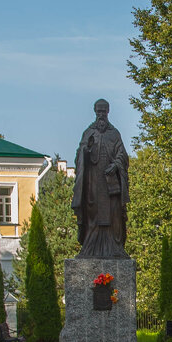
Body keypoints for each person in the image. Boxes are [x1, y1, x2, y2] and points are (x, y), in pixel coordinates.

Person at [71, 99, 129, 258]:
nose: (101, 115)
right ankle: (90, 248)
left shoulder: (114, 134)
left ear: (108, 112)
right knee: (92, 213)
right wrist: (86, 149)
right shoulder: (88, 133)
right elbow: (79, 156)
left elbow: (123, 155)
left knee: (114, 214)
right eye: (99, 111)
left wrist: (116, 165)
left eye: (104, 111)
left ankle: (115, 248)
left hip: (111, 184)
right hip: (93, 182)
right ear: (95, 112)